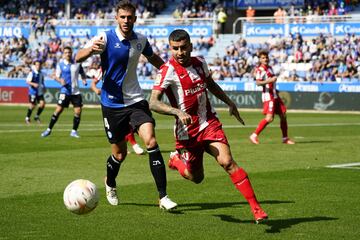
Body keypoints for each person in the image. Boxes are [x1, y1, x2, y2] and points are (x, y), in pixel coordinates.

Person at [149, 29, 268, 223]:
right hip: (187, 131)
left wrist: (230, 102)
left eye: (183, 48)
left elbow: (210, 83)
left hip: (209, 123)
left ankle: (256, 209)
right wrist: (177, 112)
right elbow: (153, 102)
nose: (180, 52)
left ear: (191, 47)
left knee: (227, 162)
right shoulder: (167, 70)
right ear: (171, 49)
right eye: (175, 49)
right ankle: (177, 162)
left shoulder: (200, 63)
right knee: (196, 178)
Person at [75, 1, 177, 210]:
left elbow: (154, 58)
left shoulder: (141, 39)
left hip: (136, 101)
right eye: (123, 17)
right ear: (117, 18)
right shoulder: (104, 38)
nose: (126, 21)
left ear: (135, 19)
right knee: (119, 154)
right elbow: (78, 56)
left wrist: (172, 70)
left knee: (151, 141)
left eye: (130, 17)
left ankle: (163, 196)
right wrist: (90, 51)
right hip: (111, 105)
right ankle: (110, 183)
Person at [90, 68, 144, 155]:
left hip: (125, 99)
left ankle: (134, 145)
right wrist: (97, 90)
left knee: (128, 123)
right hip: (111, 103)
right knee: (120, 126)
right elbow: (93, 83)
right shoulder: (104, 68)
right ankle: (128, 146)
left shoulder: (124, 66)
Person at [249, 50, 295, 145]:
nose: (265, 59)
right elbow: (258, 82)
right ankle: (254, 135)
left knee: (283, 116)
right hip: (268, 96)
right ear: (260, 59)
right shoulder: (259, 70)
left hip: (275, 95)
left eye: (266, 57)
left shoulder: (269, 68)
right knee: (269, 118)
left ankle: (285, 138)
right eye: (263, 58)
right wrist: (269, 80)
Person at [41, 46, 87, 138]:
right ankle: (49, 129)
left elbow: (82, 72)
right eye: (66, 52)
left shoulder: (77, 63)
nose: (68, 54)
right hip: (65, 91)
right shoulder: (60, 65)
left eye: (69, 52)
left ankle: (74, 131)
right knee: (58, 110)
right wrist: (60, 80)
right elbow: (56, 76)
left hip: (76, 92)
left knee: (78, 111)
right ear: (63, 54)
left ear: (71, 53)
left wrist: (84, 79)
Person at [25, 59, 46, 124]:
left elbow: (42, 82)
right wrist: (33, 84)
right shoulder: (32, 73)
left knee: (42, 104)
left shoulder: (41, 73)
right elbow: (27, 81)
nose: (38, 66)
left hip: (39, 92)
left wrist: (44, 87)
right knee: (33, 105)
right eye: (37, 65)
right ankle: (27, 117)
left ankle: (36, 116)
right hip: (33, 92)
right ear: (34, 66)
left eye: (39, 65)